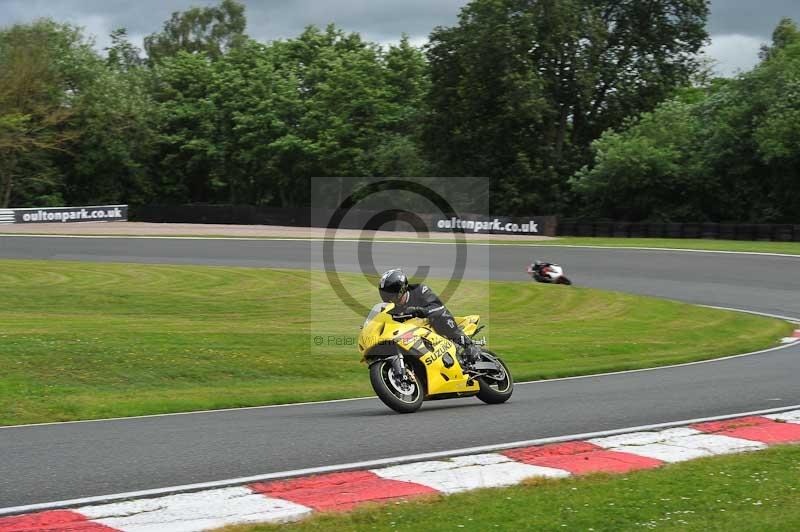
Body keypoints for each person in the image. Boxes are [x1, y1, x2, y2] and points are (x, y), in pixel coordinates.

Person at [378, 268, 482, 368]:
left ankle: (469, 345)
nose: (388, 298)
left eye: (390, 293)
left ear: (400, 289)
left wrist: (418, 311)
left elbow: (438, 306)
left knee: (440, 317)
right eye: (385, 294)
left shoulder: (419, 290)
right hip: (412, 334)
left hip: (433, 324)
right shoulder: (390, 308)